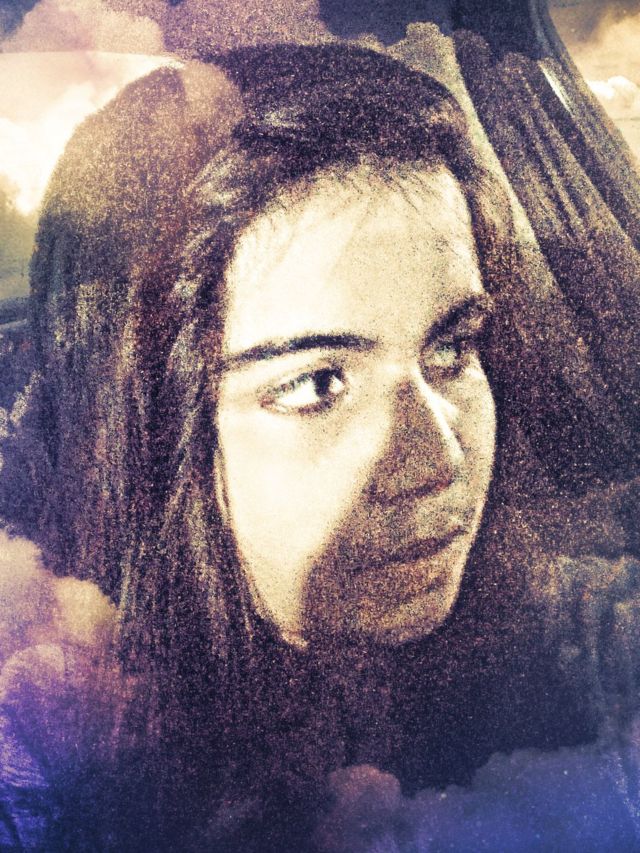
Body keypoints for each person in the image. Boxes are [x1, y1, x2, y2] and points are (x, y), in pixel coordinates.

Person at [0, 43, 638, 851]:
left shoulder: (570, 637)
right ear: (150, 429)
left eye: (451, 346)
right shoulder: (55, 735)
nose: (438, 460)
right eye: (316, 383)